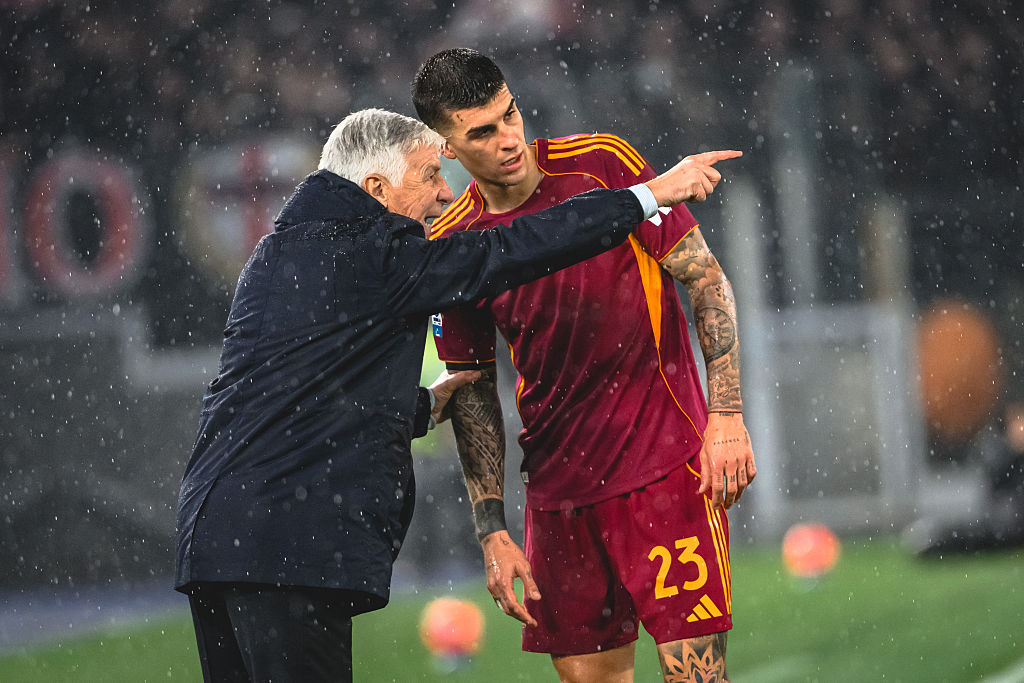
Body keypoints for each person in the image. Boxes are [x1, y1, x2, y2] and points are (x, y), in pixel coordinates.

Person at [173, 107, 732, 682]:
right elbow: (516, 247)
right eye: (429, 176)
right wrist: (647, 196)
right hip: (283, 546)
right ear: (376, 188)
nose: (445, 195)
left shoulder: (275, 255)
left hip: (215, 536)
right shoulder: (379, 256)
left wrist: (422, 406)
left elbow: (293, 391)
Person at [413, 48, 756, 682]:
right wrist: (491, 529)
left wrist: (727, 416)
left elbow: (705, 278)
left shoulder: (603, 164)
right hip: (559, 492)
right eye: (482, 132)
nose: (508, 139)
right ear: (447, 149)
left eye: (510, 115)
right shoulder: (454, 243)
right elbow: (470, 388)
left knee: (697, 677)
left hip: (664, 467)